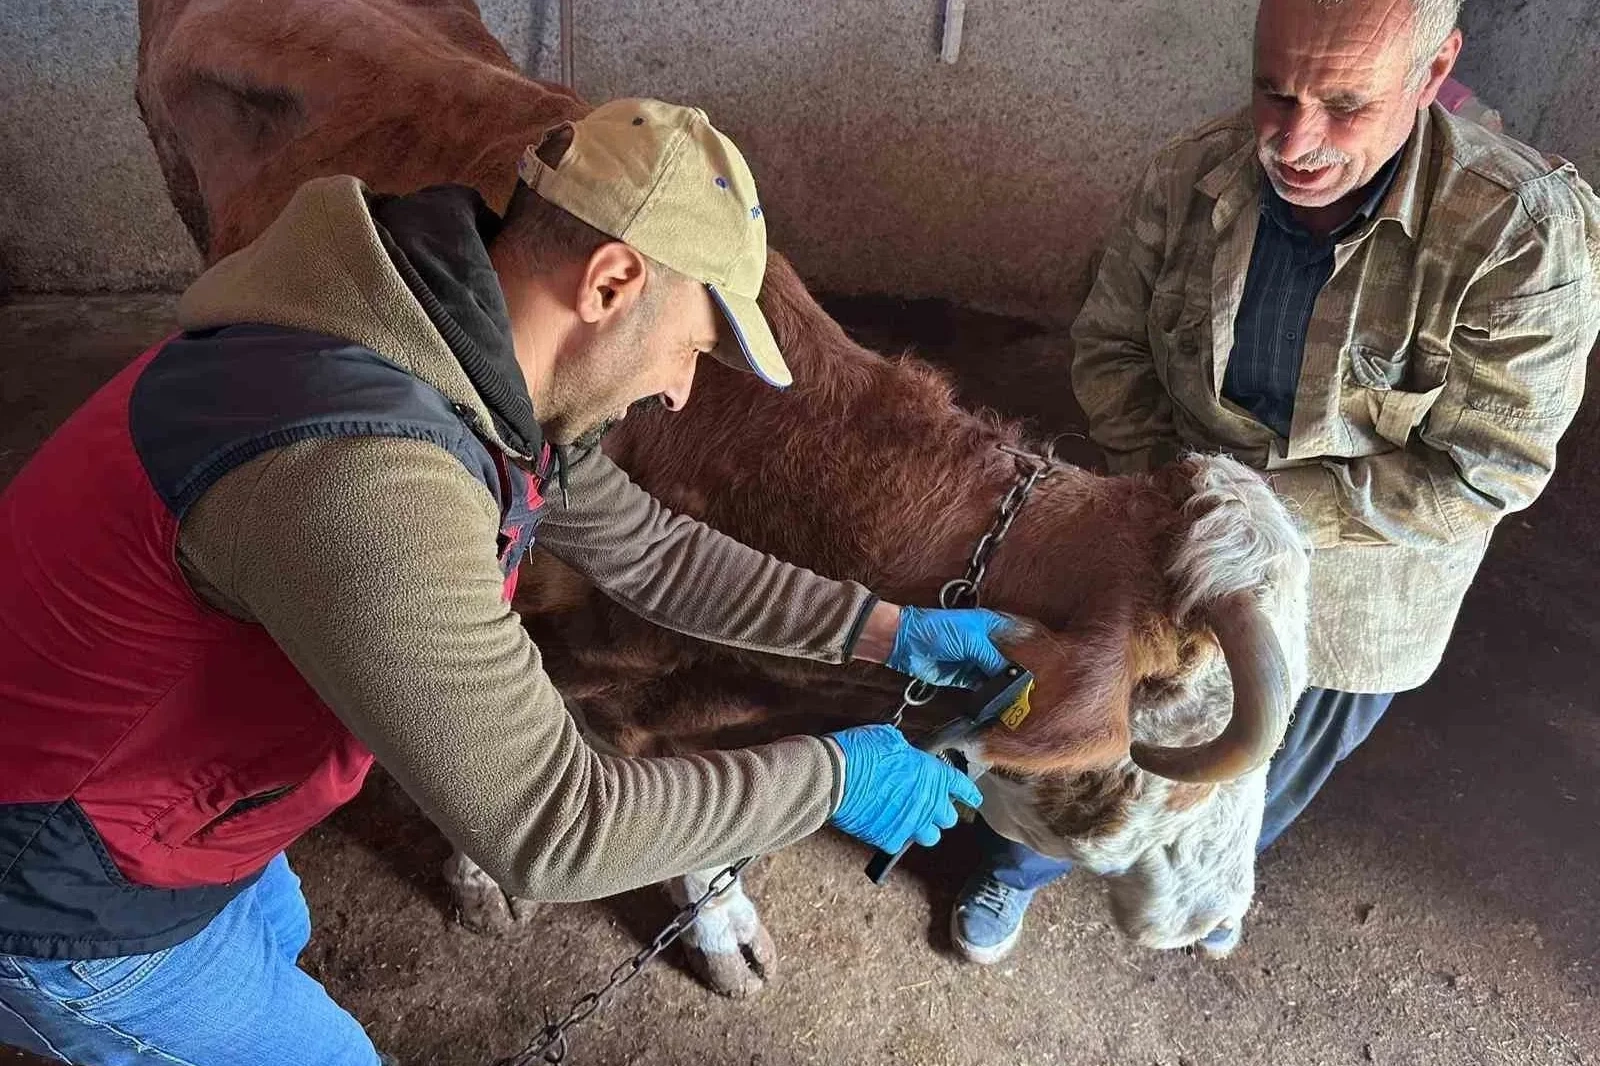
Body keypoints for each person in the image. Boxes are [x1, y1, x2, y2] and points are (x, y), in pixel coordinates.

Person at [0, 99, 1007, 1063]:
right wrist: (838, 778)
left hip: (166, 796)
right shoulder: (366, 475)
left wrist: (885, 630)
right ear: (610, 283)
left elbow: (651, 551)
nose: (677, 390)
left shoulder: (440, 343)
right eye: (691, 348)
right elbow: (554, 827)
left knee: (281, 933)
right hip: (61, 883)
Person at [952, 0, 1600, 965]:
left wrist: (1242, 517)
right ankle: (1017, 869)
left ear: (1433, 73)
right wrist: (1173, 502)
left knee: (1254, 772)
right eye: (1274, 91)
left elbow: (1486, 470)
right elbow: (1110, 349)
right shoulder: (1188, 176)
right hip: (1165, 530)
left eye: (1345, 104)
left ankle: (1210, 889)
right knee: (1084, 738)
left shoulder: (1522, 234)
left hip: (1359, 592)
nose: (1293, 143)